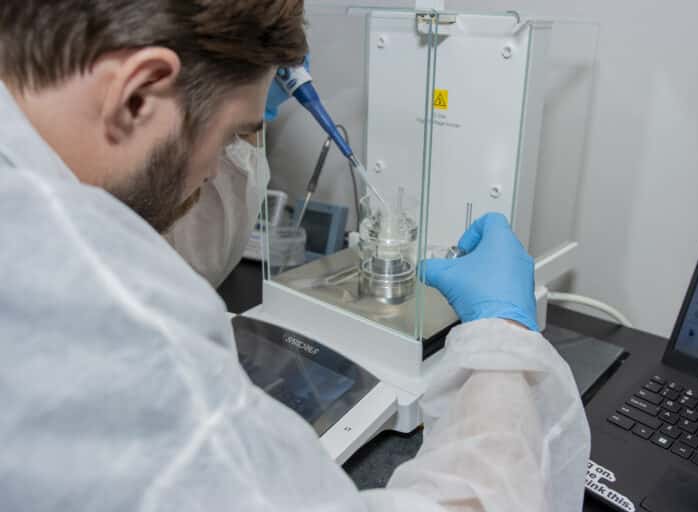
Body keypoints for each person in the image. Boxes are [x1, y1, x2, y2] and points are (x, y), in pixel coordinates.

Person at [0, 1, 589, 511]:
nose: (217, 171)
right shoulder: (105, 329)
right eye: (235, 134)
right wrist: (503, 339)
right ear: (138, 93)